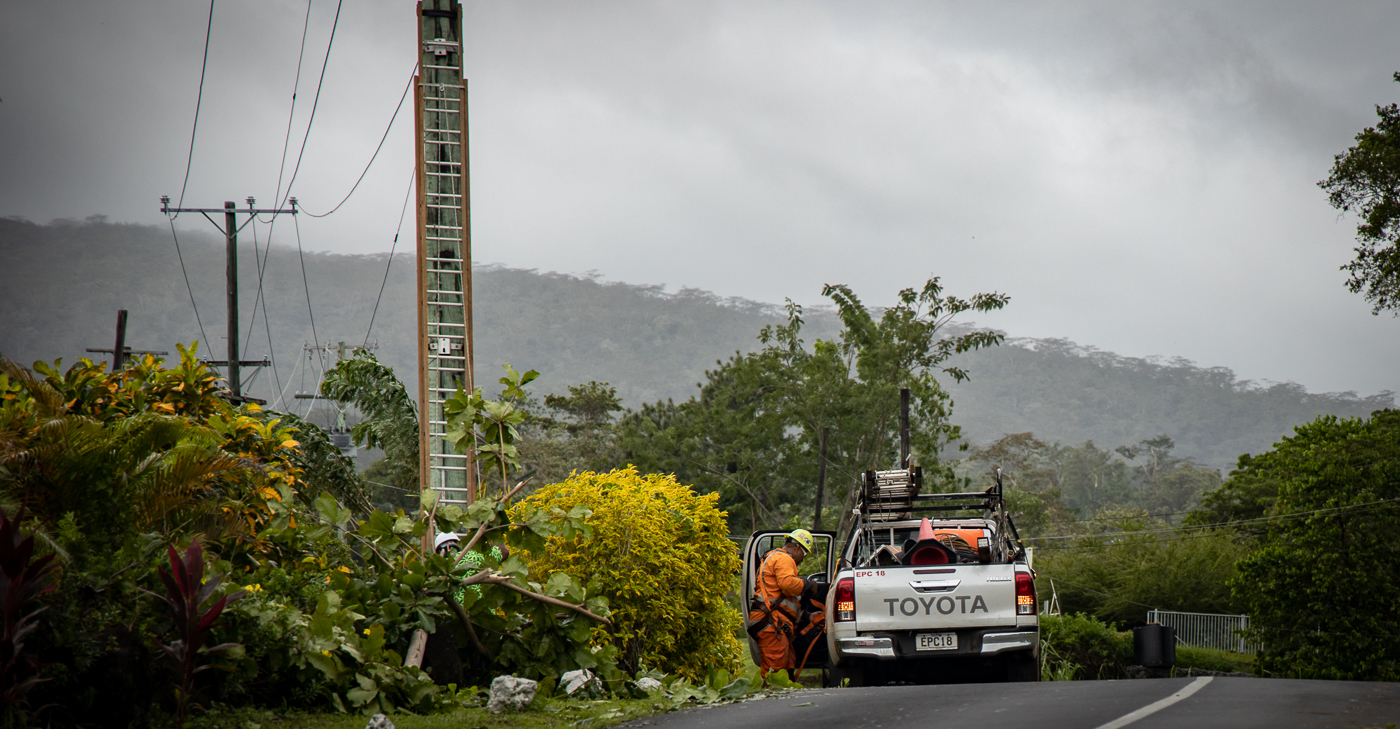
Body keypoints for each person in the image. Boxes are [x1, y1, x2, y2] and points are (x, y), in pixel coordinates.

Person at [748, 529, 813, 680]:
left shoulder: (774, 557)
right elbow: (788, 585)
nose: (802, 559)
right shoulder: (784, 558)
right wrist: (808, 584)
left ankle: (785, 694)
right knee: (774, 674)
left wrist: (808, 616)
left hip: (774, 622)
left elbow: (784, 599)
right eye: (804, 555)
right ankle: (770, 695)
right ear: (798, 548)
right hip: (771, 623)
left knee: (786, 670)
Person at [434, 531, 509, 604]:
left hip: (456, 611)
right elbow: (503, 552)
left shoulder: (437, 570)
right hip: (482, 609)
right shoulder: (476, 555)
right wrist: (491, 532)